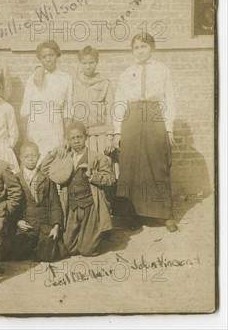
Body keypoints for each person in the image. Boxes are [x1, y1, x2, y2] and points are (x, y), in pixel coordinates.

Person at [114, 32, 177, 232]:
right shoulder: (126, 73)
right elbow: (120, 101)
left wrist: (169, 129)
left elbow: (169, 99)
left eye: (144, 46)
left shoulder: (162, 70)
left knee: (158, 163)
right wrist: (117, 131)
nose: (140, 51)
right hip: (131, 118)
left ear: (152, 48)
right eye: (136, 47)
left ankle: (166, 214)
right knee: (130, 165)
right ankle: (133, 215)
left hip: (154, 115)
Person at [41, 121, 115, 257]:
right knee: (70, 248)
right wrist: (54, 152)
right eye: (72, 138)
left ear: (85, 137)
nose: (76, 141)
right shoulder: (64, 157)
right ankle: (87, 234)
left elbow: (110, 179)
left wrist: (92, 174)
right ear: (67, 140)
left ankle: (97, 233)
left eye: (79, 137)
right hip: (72, 207)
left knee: (86, 250)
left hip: (91, 206)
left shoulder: (96, 157)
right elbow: (44, 170)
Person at [9, 142, 67, 262]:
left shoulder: (46, 178)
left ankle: (41, 247)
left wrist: (56, 226)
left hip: (44, 226)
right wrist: (17, 221)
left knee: (51, 253)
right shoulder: (16, 179)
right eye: (26, 156)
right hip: (26, 227)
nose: (30, 159)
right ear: (20, 158)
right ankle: (33, 248)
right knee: (16, 252)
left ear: (39, 156)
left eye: (33, 155)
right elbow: (12, 205)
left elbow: (55, 204)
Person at [20, 40, 73, 162]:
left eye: (51, 55)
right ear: (40, 58)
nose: (48, 59)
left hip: (55, 124)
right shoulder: (32, 79)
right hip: (36, 125)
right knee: (36, 160)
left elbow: (68, 109)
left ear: (57, 55)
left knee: (54, 161)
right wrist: (25, 138)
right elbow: (25, 110)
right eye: (44, 56)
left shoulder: (65, 78)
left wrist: (66, 136)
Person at [72, 46, 117, 170]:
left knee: (102, 170)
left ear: (96, 62)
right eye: (84, 63)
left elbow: (111, 111)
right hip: (82, 138)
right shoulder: (73, 83)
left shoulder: (105, 83)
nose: (88, 66)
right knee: (83, 172)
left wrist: (109, 136)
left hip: (101, 136)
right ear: (80, 63)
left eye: (91, 63)